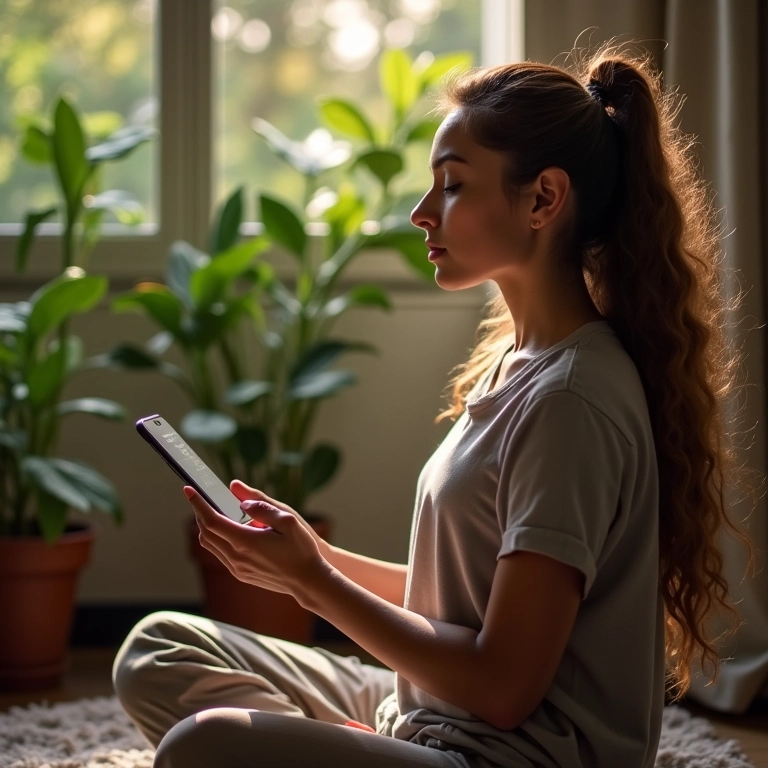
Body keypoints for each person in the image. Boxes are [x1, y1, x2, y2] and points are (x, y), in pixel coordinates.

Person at [113, 42, 754, 768]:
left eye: (451, 185)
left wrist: (311, 584)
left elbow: (507, 687)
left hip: (502, 755)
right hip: (427, 715)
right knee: (159, 646)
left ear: (543, 198)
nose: (421, 213)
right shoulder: (518, 364)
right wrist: (311, 555)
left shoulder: (573, 400)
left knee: (204, 745)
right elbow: (454, 604)